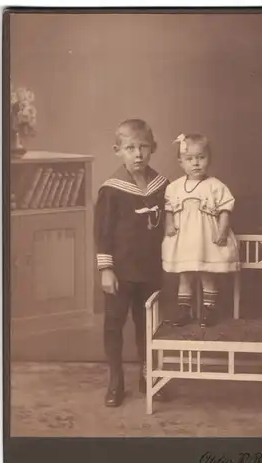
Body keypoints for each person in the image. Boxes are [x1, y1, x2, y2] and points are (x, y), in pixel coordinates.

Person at [94, 119, 169, 407]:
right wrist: (106, 269)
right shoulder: (111, 189)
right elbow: (102, 233)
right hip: (120, 272)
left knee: (148, 325)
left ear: (153, 148)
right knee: (114, 324)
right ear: (118, 150)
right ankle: (116, 382)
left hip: (150, 270)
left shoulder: (164, 186)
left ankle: (148, 376)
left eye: (143, 147)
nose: (138, 154)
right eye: (130, 148)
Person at [162, 133, 240, 327]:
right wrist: (170, 224)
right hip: (186, 239)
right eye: (190, 159)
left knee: (207, 274)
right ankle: (184, 311)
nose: (195, 163)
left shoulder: (215, 186)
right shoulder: (175, 187)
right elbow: (169, 209)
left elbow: (225, 210)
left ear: (209, 159)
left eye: (201, 158)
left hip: (206, 238)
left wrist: (222, 231)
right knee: (185, 275)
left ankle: (208, 310)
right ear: (181, 162)